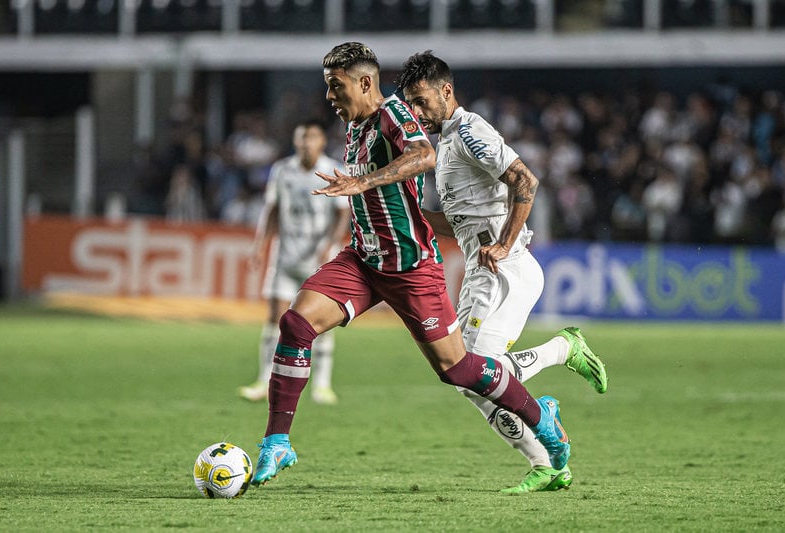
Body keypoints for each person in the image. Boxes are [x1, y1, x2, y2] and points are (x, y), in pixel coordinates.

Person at [251, 42, 570, 488]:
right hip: (363, 260)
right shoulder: (356, 128)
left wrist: (362, 182)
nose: (329, 97)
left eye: (335, 87)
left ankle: (542, 417)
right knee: (296, 324)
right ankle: (276, 444)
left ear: (365, 83)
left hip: (411, 267)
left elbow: (424, 156)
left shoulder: (394, 114)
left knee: (458, 370)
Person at [396, 51, 608, 492]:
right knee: (470, 380)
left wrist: (504, 243)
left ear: (446, 91)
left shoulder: (471, 131)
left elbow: (525, 181)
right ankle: (549, 464)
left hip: (502, 270)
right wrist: (410, 215)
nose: (416, 112)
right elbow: (459, 223)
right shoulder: (445, 144)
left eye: (420, 100)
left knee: (468, 370)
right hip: (485, 270)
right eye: (409, 104)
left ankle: (561, 351)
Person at [239, 120, 349, 405]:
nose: (306, 143)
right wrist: (260, 245)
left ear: (322, 141)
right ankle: (264, 381)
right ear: (295, 141)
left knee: (321, 321)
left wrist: (330, 244)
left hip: (318, 259)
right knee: (275, 317)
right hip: (285, 255)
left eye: (311, 137)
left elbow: (342, 213)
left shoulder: (332, 169)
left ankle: (322, 384)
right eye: (301, 138)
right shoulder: (282, 170)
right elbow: (272, 209)